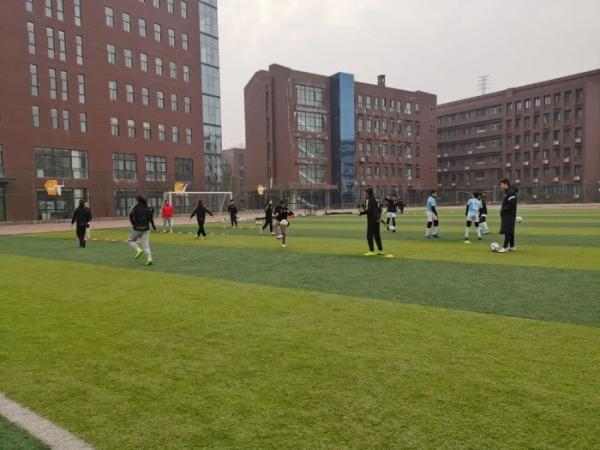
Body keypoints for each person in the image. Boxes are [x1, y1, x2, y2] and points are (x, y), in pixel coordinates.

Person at [128, 195, 157, 266]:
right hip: (146, 228)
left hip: (137, 227)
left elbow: (131, 214)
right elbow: (150, 218)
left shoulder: (135, 207)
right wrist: (153, 226)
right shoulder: (147, 207)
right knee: (146, 245)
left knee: (130, 240)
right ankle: (149, 258)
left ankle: (138, 249)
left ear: (137, 200)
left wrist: (132, 223)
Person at [360, 188, 384, 256]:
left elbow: (369, 210)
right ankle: (380, 250)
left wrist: (361, 213)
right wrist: (378, 217)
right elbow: (378, 210)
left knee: (369, 235)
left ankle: (371, 251)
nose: (365, 194)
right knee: (377, 235)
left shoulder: (370, 200)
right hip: (376, 220)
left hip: (372, 220)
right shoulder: (374, 200)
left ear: (368, 193)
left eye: (366, 193)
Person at [498, 179, 518, 253]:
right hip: (508, 215)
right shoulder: (508, 192)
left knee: (507, 231)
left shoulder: (510, 192)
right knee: (510, 231)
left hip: (509, 215)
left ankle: (504, 247)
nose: (500, 186)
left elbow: (512, 204)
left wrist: (503, 210)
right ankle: (512, 246)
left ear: (506, 184)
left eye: (501, 184)